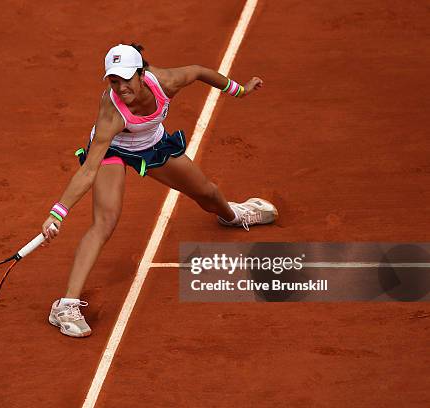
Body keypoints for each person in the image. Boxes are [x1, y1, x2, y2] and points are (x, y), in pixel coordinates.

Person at [42, 43, 278, 337]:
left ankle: (232, 215)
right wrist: (58, 213)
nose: (121, 87)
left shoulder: (165, 82)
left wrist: (239, 91)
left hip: (150, 145)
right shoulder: (111, 113)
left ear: (142, 74)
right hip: (112, 152)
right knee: (105, 221)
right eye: (114, 81)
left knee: (207, 192)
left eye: (127, 78)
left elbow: (200, 72)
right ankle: (65, 306)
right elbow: (89, 169)